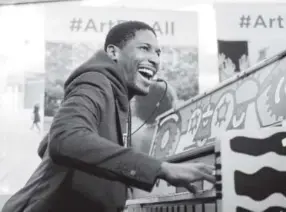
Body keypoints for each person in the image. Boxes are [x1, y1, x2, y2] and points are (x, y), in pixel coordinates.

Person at [2, 21, 215, 212]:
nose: (154, 59)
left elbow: (49, 145)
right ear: (113, 52)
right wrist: (161, 169)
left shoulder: (117, 100)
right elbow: (65, 139)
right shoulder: (96, 81)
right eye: (144, 48)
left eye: (158, 53)